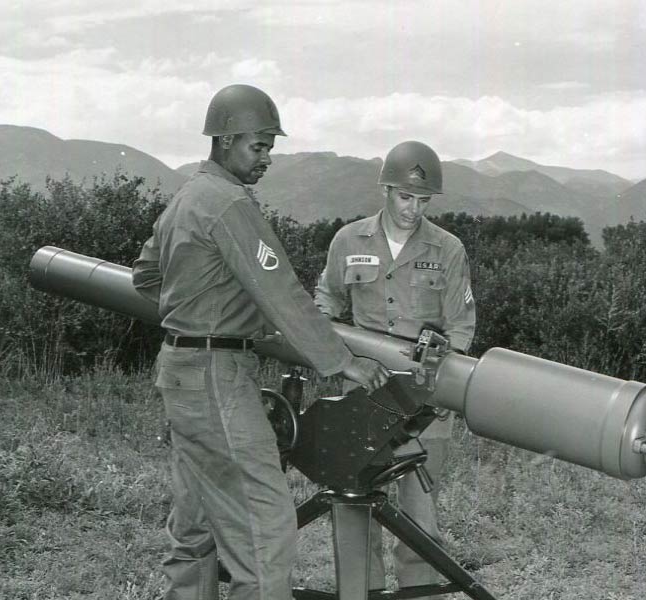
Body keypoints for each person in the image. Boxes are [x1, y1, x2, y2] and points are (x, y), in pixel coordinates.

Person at [132, 83, 390, 600]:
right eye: (259, 145)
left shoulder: (186, 197)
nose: (267, 157)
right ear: (225, 141)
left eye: (271, 146)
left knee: (196, 522)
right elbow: (284, 293)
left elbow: (145, 277)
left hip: (182, 372)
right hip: (215, 377)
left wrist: (206, 306)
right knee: (266, 528)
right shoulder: (228, 203)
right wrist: (342, 362)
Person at [314, 140, 476, 596]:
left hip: (423, 402)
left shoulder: (447, 248)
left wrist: (442, 378)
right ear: (386, 190)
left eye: (423, 200)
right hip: (364, 394)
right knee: (356, 511)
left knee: (419, 520)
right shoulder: (348, 240)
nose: (413, 208)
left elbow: (461, 327)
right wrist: (340, 353)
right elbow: (325, 299)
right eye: (405, 197)